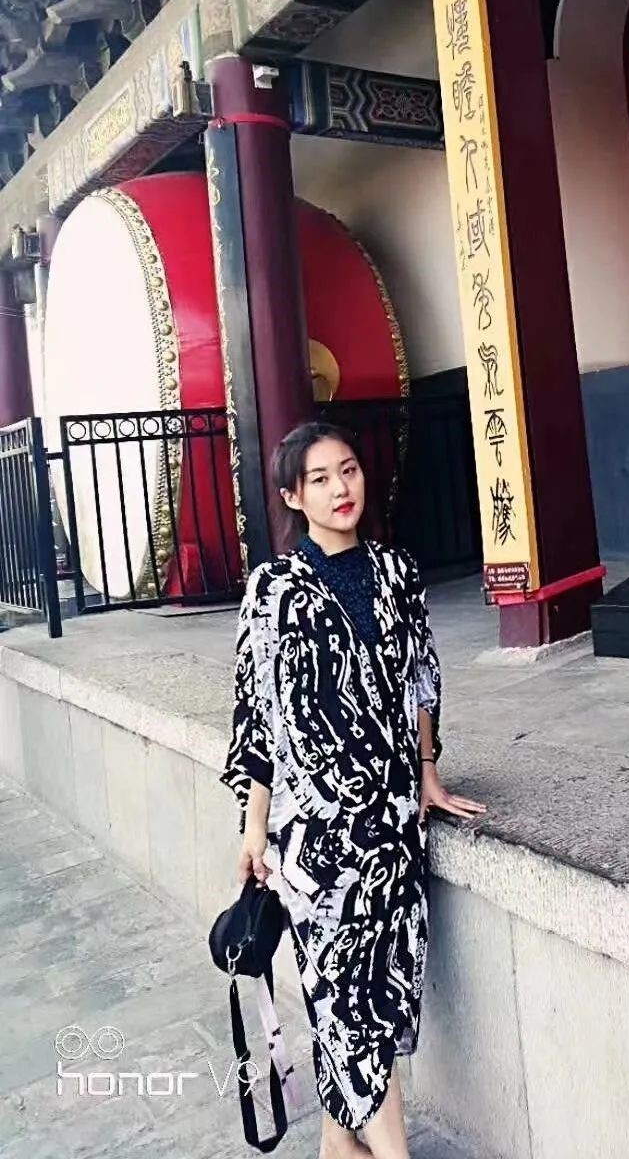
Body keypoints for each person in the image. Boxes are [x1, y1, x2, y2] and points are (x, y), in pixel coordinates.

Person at [220, 421, 486, 1159]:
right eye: (320, 479)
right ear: (292, 497)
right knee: (347, 1004)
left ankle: (340, 1147)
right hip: (315, 839)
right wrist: (254, 827)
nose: (341, 489)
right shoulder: (273, 590)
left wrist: (428, 772)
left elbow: (422, 677)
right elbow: (257, 715)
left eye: (349, 470)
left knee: (386, 994)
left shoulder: (397, 571)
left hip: (394, 826)